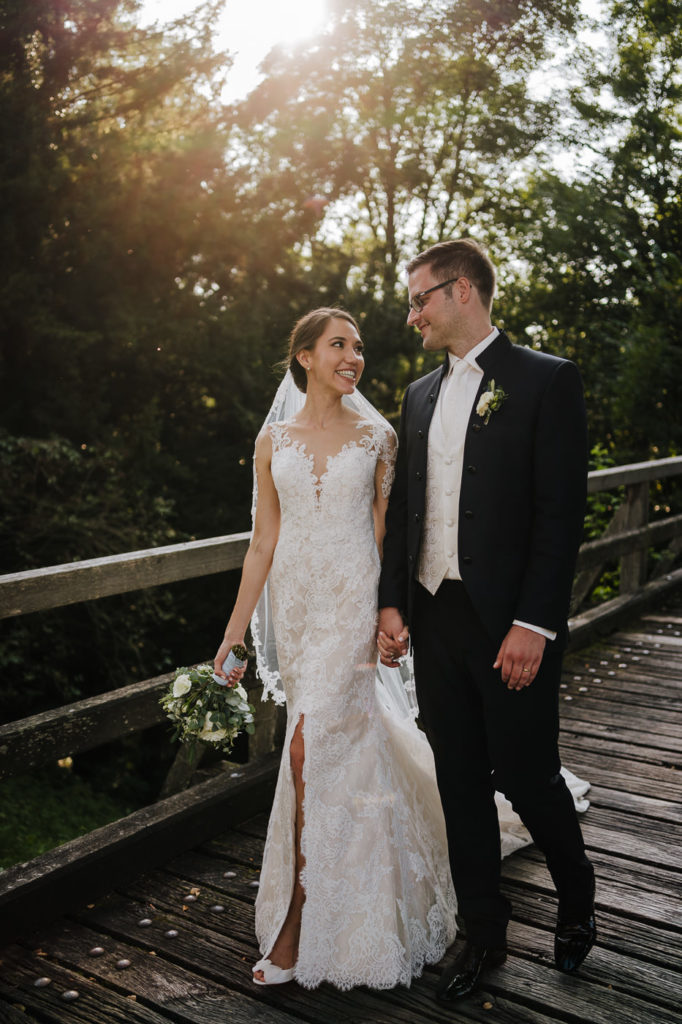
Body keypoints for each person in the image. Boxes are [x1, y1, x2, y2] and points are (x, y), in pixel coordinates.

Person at [213, 308, 459, 990]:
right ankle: (343, 900)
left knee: (306, 750)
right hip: (298, 610)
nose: (354, 357)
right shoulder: (273, 441)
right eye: (339, 345)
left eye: (359, 348)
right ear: (305, 357)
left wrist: (391, 613)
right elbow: (262, 543)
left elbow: (387, 536)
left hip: (352, 605)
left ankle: (298, 926)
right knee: (332, 755)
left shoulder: (378, 436)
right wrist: (235, 633)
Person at [377, 239, 596, 1002]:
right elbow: (409, 512)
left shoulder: (546, 380)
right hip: (435, 623)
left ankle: (577, 894)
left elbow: (559, 513)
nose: (412, 315)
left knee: (529, 778)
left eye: (420, 300)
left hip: (510, 626)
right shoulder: (417, 395)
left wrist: (535, 623)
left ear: (462, 290)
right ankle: (484, 934)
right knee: (460, 782)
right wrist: (392, 600)